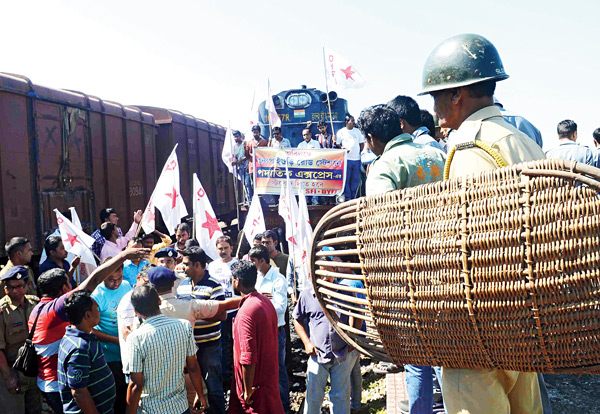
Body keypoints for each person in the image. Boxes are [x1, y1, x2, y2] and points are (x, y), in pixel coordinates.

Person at [419, 33, 544, 414]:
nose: (435, 106)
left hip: (481, 326)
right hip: (524, 315)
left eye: (436, 95)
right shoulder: (521, 139)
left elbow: (469, 240)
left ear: (457, 94)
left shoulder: (472, 146)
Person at [356, 104, 446, 413]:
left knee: (418, 359)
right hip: (449, 268)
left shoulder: (383, 167)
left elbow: (382, 229)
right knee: (452, 354)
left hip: (412, 278)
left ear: (371, 138)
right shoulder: (438, 155)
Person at [28, 247, 148, 413]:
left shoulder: (39, 309)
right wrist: (123, 256)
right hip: (59, 386)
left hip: (54, 382)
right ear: (64, 290)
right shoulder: (57, 317)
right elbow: (93, 281)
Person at [126, 285, 207, 414]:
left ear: (136, 311)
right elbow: (193, 367)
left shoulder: (135, 339)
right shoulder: (184, 326)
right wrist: (200, 394)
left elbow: (136, 384)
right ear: (159, 301)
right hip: (180, 407)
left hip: (150, 410)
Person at [293, 261, 359, 414]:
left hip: (342, 354)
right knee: (313, 397)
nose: (324, 278)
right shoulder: (307, 294)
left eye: (328, 274)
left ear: (334, 271)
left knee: (340, 396)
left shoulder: (344, 292)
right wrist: (306, 342)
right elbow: (297, 319)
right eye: (321, 274)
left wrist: (352, 337)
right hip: (318, 353)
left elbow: (357, 314)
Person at [228, 260, 284, 414]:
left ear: (237, 281)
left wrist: (247, 390)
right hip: (268, 379)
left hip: (255, 388)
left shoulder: (246, 311)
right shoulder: (265, 301)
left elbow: (248, 357)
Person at [177, 247, 227, 414]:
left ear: (197, 265)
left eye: (186, 264)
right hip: (188, 348)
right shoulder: (182, 286)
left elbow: (221, 315)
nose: (182, 267)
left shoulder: (214, 286)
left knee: (213, 385)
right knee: (194, 386)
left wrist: (195, 315)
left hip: (209, 346)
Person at [58, 291, 115, 414]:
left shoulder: (77, 337)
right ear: (88, 315)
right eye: (97, 309)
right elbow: (79, 391)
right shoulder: (80, 348)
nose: (99, 312)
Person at [248, 246, 289, 412]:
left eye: (253, 261)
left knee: (278, 370)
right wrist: (262, 299)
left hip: (275, 331)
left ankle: (284, 406)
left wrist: (261, 301)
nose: (251, 265)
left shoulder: (278, 280)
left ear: (262, 261)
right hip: (259, 331)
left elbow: (281, 307)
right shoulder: (256, 277)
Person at [90, 258, 132, 414]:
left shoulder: (127, 286)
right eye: (111, 280)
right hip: (109, 355)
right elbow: (91, 329)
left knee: (127, 392)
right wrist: (117, 340)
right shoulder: (96, 295)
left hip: (128, 352)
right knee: (113, 393)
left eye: (119, 278)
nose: (116, 283)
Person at [0, 266, 42, 413]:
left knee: (35, 409)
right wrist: (7, 377)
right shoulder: (2, 311)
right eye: (9, 287)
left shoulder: (35, 304)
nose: (14, 291)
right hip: (13, 371)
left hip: (33, 370)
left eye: (18, 287)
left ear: (27, 285)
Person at [207, 236, 239, 385]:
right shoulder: (211, 266)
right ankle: (224, 374)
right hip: (218, 309)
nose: (223, 251)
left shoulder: (237, 264)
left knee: (235, 341)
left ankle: (236, 372)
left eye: (226, 248)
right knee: (221, 342)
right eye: (220, 248)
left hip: (236, 309)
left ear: (232, 248)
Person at [335, 114, 365, 202]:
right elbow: (337, 144)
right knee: (346, 180)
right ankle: (348, 199)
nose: (354, 123)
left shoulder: (357, 131)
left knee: (355, 180)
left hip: (356, 160)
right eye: (352, 121)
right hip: (346, 160)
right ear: (346, 122)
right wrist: (342, 148)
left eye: (354, 121)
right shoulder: (341, 132)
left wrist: (359, 152)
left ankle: (354, 198)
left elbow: (361, 143)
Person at [244, 125, 268, 201]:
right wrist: (245, 148)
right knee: (252, 183)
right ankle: (254, 199)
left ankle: (262, 198)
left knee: (262, 183)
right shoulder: (249, 143)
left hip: (262, 166)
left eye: (256, 132)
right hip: (252, 167)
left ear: (259, 132)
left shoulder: (264, 142)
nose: (255, 134)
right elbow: (247, 156)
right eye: (254, 132)